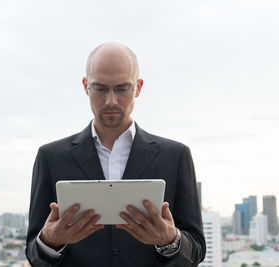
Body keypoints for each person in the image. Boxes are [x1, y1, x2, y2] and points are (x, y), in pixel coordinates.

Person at [25, 42, 206, 267]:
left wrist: (169, 240)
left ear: (138, 87)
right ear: (85, 86)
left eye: (122, 88)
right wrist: (50, 241)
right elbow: (33, 253)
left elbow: (196, 250)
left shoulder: (176, 156)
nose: (111, 100)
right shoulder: (50, 157)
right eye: (100, 88)